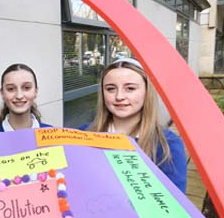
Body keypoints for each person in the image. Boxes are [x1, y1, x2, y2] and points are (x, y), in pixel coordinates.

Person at [80, 57, 187, 193]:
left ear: (147, 92)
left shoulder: (168, 145)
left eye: (130, 88)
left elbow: (175, 206)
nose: (119, 96)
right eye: (110, 89)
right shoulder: (83, 134)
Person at [0, 63, 52, 132]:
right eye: (11, 89)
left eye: (26, 88)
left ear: (35, 91)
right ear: (2, 93)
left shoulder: (54, 136)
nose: (19, 96)